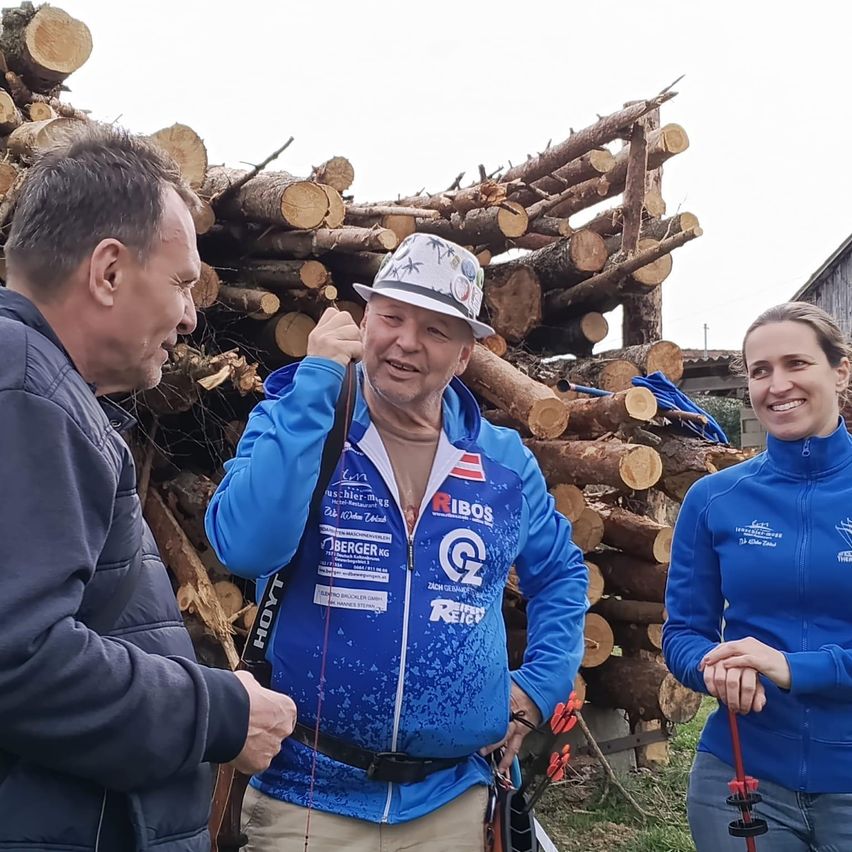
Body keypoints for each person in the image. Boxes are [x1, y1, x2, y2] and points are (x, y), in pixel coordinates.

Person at [205, 232, 589, 851]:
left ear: (465, 355)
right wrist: (317, 387)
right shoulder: (298, 417)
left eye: (437, 330)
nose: (407, 342)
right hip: (308, 799)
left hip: (454, 800)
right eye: (392, 317)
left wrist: (539, 688)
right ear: (365, 321)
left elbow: (561, 574)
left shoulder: (503, 463)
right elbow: (245, 549)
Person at [0, 125, 297, 851]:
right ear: (107, 273)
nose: (191, 316)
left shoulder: (39, 387)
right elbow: (18, 660)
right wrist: (221, 714)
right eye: (182, 283)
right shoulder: (25, 392)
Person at [663, 301, 852, 851]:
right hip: (740, 780)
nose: (777, 385)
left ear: (840, 370)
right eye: (760, 370)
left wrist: (792, 667)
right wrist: (711, 668)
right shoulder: (714, 498)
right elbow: (682, 634)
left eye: (797, 363)